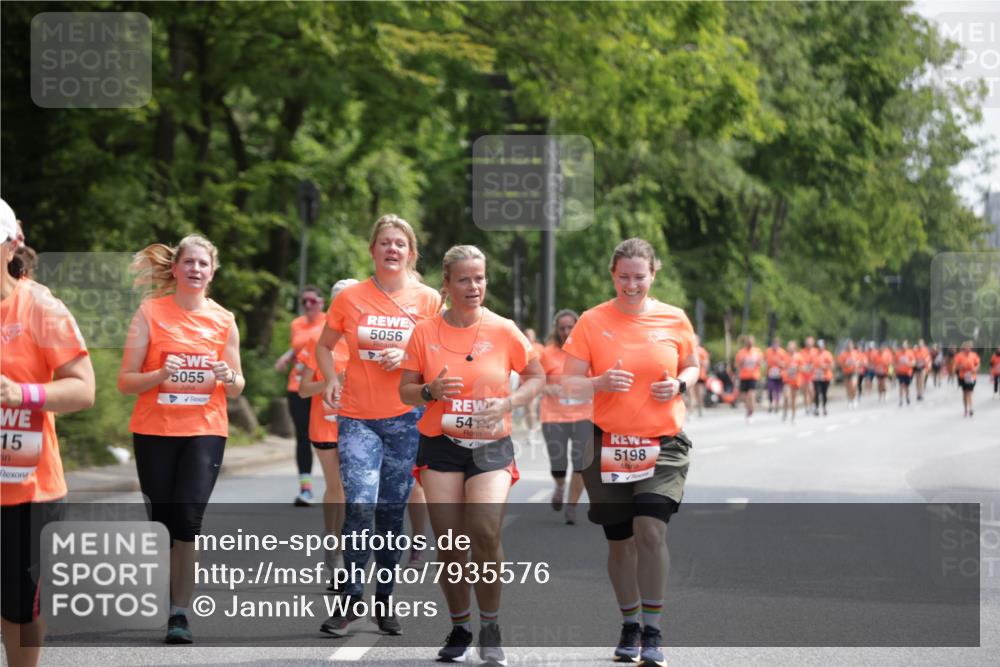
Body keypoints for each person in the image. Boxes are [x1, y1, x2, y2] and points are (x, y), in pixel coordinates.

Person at [399, 244, 543, 664]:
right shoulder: (425, 332)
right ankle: (461, 626)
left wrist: (511, 403)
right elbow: (405, 389)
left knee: (484, 531)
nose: (473, 286)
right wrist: (429, 391)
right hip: (440, 443)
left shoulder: (503, 329)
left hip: (491, 445)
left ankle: (491, 625)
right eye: (464, 278)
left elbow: (536, 375)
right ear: (447, 283)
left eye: (479, 278)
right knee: (449, 543)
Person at [562, 238, 699, 667]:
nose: (631, 285)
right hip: (612, 445)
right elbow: (567, 382)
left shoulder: (674, 319)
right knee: (620, 543)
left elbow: (692, 365)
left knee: (650, 531)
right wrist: (599, 384)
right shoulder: (591, 321)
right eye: (624, 277)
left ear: (653, 274)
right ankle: (630, 623)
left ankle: (654, 631)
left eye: (639, 277)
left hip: (663, 443)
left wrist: (679, 384)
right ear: (612, 275)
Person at [315, 214, 441, 637]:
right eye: (385, 242)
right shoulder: (351, 298)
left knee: (389, 512)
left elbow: (443, 354)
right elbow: (325, 345)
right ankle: (350, 600)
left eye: (400, 244)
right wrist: (331, 379)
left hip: (407, 419)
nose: (392, 249)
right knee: (360, 506)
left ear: (411, 252)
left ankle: (384, 599)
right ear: (372, 250)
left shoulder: (427, 300)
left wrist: (409, 359)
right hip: (357, 418)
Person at [118, 234, 245, 645]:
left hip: (204, 429)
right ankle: (166, 593)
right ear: (175, 269)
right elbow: (126, 381)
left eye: (203, 264)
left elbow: (238, 385)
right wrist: (159, 375)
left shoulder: (224, 320)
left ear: (212, 272)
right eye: (188, 262)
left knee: (188, 520)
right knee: (161, 523)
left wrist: (229, 377)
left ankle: (179, 613)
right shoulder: (150, 313)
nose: (195, 269)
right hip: (154, 429)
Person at [1, 201, 95, 667]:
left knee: (21, 601)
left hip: (29, 486)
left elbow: (84, 388)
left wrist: (24, 393)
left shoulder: (38, 305)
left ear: (10, 245)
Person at [297, 279, 356, 585]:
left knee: (353, 491)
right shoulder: (317, 341)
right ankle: (336, 548)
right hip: (326, 424)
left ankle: (340, 545)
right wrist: (333, 381)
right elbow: (304, 390)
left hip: (360, 425)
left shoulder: (366, 341)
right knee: (339, 488)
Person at [275, 286, 328, 506]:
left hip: (321, 387)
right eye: (304, 301)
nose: (307, 305)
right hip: (297, 386)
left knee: (327, 438)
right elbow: (299, 348)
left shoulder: (330, 322)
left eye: (312, 301)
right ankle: (306, 488)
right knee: (303, 437)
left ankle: (337, 487)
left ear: (321, 302)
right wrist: (286, 356)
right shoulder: (296, 324)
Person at [539, 309, 591, 525]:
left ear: (577, 327)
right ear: (556, 330)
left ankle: (572, 505)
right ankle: (560, 485)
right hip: (554, 416)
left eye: (570, 327)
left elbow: (600, 378)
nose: (566, 331)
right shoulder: (547, 353)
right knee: (558, 461)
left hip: (584, 414)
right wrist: (547, 388)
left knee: (580, 462)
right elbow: (534, 379)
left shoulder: (589, 351)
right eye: (562, 328)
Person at [734, 335, 763, 422]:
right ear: (746, 343)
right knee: (744, 397)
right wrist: (741, 363)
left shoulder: (757, 352)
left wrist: (759, 363)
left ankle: (752, 412)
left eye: (751, 342)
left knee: (751, 394)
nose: (750, 343)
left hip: (753, 376)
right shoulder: (741, 353)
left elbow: (761, 364)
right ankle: (748, 410)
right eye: (748, 342)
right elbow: (737, 365)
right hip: (743, 376)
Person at [953, 341, 980, 417]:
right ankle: (966, 409)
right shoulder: (959, 356)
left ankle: (971, 408)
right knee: (965, 393)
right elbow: (956, 366)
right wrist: (961, 367)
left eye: (969, 347)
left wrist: (975, 369)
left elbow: (977, 364)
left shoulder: (974, 355)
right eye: (966, 347)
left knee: (970, 392)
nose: (968, 349)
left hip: (972, 376)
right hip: (963, 376)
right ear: (963, 348)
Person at [781, 341, 803, 422]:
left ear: (795, 348)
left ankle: (793, 415)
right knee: (786, 396)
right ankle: (785, 412)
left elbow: (802, 368)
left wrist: (797, 368)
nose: (790, 349)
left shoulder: (799, 357)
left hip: (795, 380)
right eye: (789, 347)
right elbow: (782, 366)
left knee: (793, 399)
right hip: (787, 380)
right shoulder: (784, 356)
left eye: (792, 347)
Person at [764, 337, 786, 414]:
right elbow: (764, 362)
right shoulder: (768, 351)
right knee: (770, 389)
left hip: (779, 374)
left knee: (777, 391)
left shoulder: (782, 352)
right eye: (774, 344)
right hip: (770, 374)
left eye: (777, 344)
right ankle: (770, 404)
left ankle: (776, 405)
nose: (775, 345)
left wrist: (780, 363)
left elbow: (785, 364)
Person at [812, 339, 834, 416]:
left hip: (825, 377)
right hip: (816, 377)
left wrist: (825, 366)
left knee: (824, 393)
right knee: (817, 392)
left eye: (821, 346)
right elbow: (810, 364)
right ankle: (817, 408)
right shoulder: (814, 354)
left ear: (824, 346)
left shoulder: (828, 354)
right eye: (818, 346)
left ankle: (824, 407)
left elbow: (832, 365)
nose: (820, 348)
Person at [837, 340, 860, 409]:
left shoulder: (856, 353)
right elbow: (839, 363)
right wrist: (845, 364)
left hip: (854, 372)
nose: (849, 346)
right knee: (848, 387)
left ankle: (854, 398)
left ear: (853, 345)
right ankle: (850, 400)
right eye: (848, 345)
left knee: (853, 385)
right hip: (846, 372)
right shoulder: (843, 354)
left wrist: (856, 363)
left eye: (851, 345)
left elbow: (859, 361)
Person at [692, 337, 710, 417]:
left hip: (700, 374)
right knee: (691, 392)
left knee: (699, 392)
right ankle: (692, 409)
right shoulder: (689, 350)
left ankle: (700, 406)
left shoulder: (702, 351)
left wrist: (699, 362)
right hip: (691, 375)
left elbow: (706, 364)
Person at [894, 341, 915, 407]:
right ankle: (901, 400)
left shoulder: (910, 352)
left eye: (905, 346)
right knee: (901, 385)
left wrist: (909, 364)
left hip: (908, 372)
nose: (904, 348)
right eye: (903, 346)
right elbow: (894, 362)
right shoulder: (898, 353)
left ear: (907, 346)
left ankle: (907, 397)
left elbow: (914, 362)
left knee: (907, 386)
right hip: (900, 372)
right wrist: (896, 368)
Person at [799, 336, 816, 415]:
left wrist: (811, 366)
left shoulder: (815, 351)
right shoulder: (802, 352)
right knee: (805, 392)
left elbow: (816, 362)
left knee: (811, 390)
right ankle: (807, 407)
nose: (808, 344)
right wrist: (803, 367)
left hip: (812, 375)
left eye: (810, 342)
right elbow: (799, 362)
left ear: (813, 343)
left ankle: (812, 404)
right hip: (803, 375)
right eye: (807, 342)